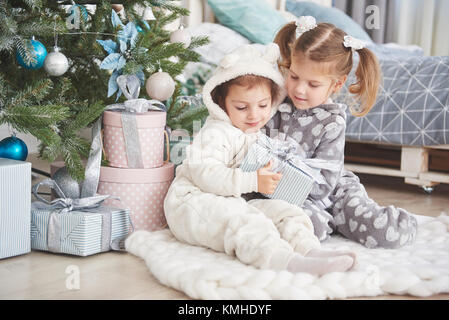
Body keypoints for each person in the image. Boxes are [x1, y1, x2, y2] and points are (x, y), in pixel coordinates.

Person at [164, 43, 356, 275]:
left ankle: (309, 251)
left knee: (285, 212)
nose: (255, 115)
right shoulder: (216, 132)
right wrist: (253, 181)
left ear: (273, 101)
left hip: (235, 198)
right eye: (242, 107)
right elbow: (204, 174)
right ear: (221, 103)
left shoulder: (255, 134)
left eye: (263, 105)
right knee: (242, 221)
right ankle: (286, 262)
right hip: (193, 202)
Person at [265, 16, 417, 248]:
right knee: (296, 226)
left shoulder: (332, 121)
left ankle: (393, 223)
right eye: (294, 76)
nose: (299, 89)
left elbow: (324, 184)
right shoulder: (276, 102)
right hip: (287, 192)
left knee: (382, 233)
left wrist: (278, 170)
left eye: (313, 84)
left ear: (336, 84)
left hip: (333, 189)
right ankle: (328, 223)